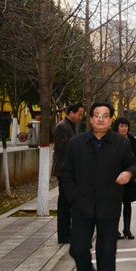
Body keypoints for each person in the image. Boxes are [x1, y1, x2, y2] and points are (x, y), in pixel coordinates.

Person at [62, 103, 136, 271]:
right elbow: (66, 172)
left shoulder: (120, 143)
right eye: (96, 115)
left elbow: (134, 164)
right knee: (78, 248)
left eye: (105, 115)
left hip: (109, 205)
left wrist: (129, 173)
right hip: (82, 206)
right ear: (90, 118)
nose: (100, 119)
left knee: (106, 253)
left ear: (110, 119)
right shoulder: (76, 143)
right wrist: (73, 197)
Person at [52, 103, 84, 244]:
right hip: (64, 170)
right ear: (71, 113)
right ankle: (64, 235)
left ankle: (68, 232)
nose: (80, 117)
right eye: (79, 114)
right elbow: (64, 147)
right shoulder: (61, 127)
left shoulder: (70, 126)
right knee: (64, 203)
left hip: (70, 169)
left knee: (68, 202)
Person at [113, 117, 136, 240]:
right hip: (117, 177)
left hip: (129, 175)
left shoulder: (131, 139)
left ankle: (127, 229)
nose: (124, 128)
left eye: (126, 126)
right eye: (121, 126)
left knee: (127, 203)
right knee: (116, 204)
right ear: (117, 127)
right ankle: (115, 230)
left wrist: (132, 171)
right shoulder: (112, 140)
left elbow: (135, 157)